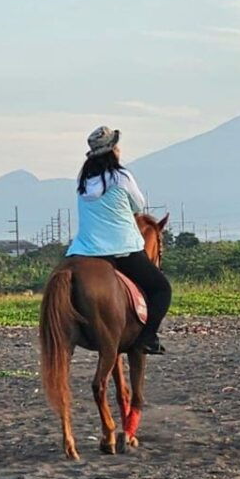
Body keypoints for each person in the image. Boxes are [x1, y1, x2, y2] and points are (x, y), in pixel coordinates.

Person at [66, 126, 171, 354]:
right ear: (112, 150)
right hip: (121, 250)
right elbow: (138, 206)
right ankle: (148, 337)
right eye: (116, 145)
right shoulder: (121, 177)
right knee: (161, 289)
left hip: (85, 250)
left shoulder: (83, 181)